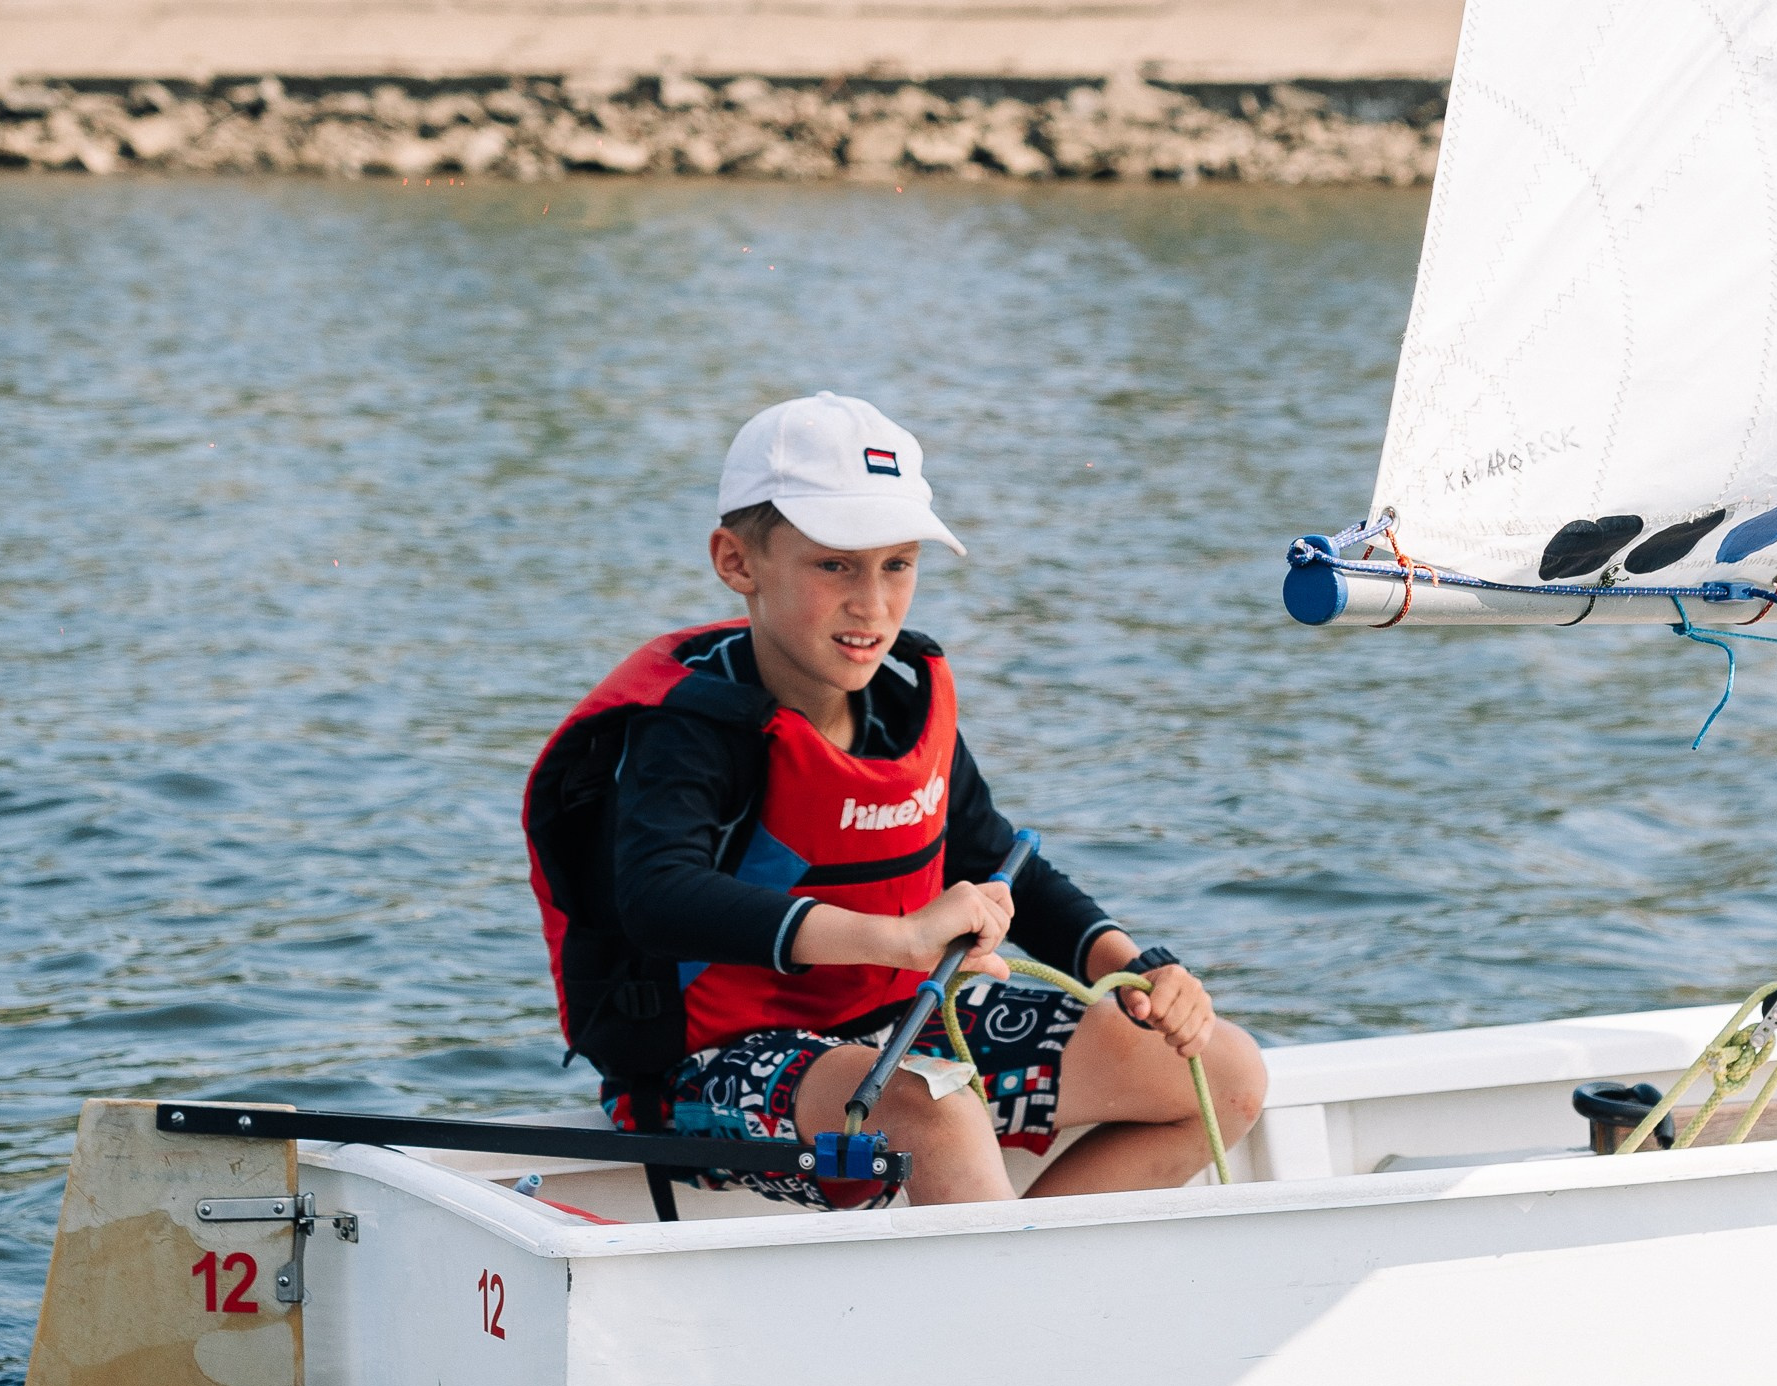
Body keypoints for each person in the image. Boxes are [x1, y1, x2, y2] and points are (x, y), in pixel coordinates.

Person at [524, 391, 1266, 1207]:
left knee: (1222, 1069)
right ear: (737, 562)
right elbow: (657, 896)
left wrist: (1137, 968)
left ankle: (1025, 1279)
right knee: (932, 1107)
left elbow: (996, 857)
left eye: (897, 564)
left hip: (899, 1027)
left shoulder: (905, 706)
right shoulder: (692, 729)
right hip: (702, 1072)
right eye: (834, 564)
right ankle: (1010, 1304)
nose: (872, 605)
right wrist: (899, 939)